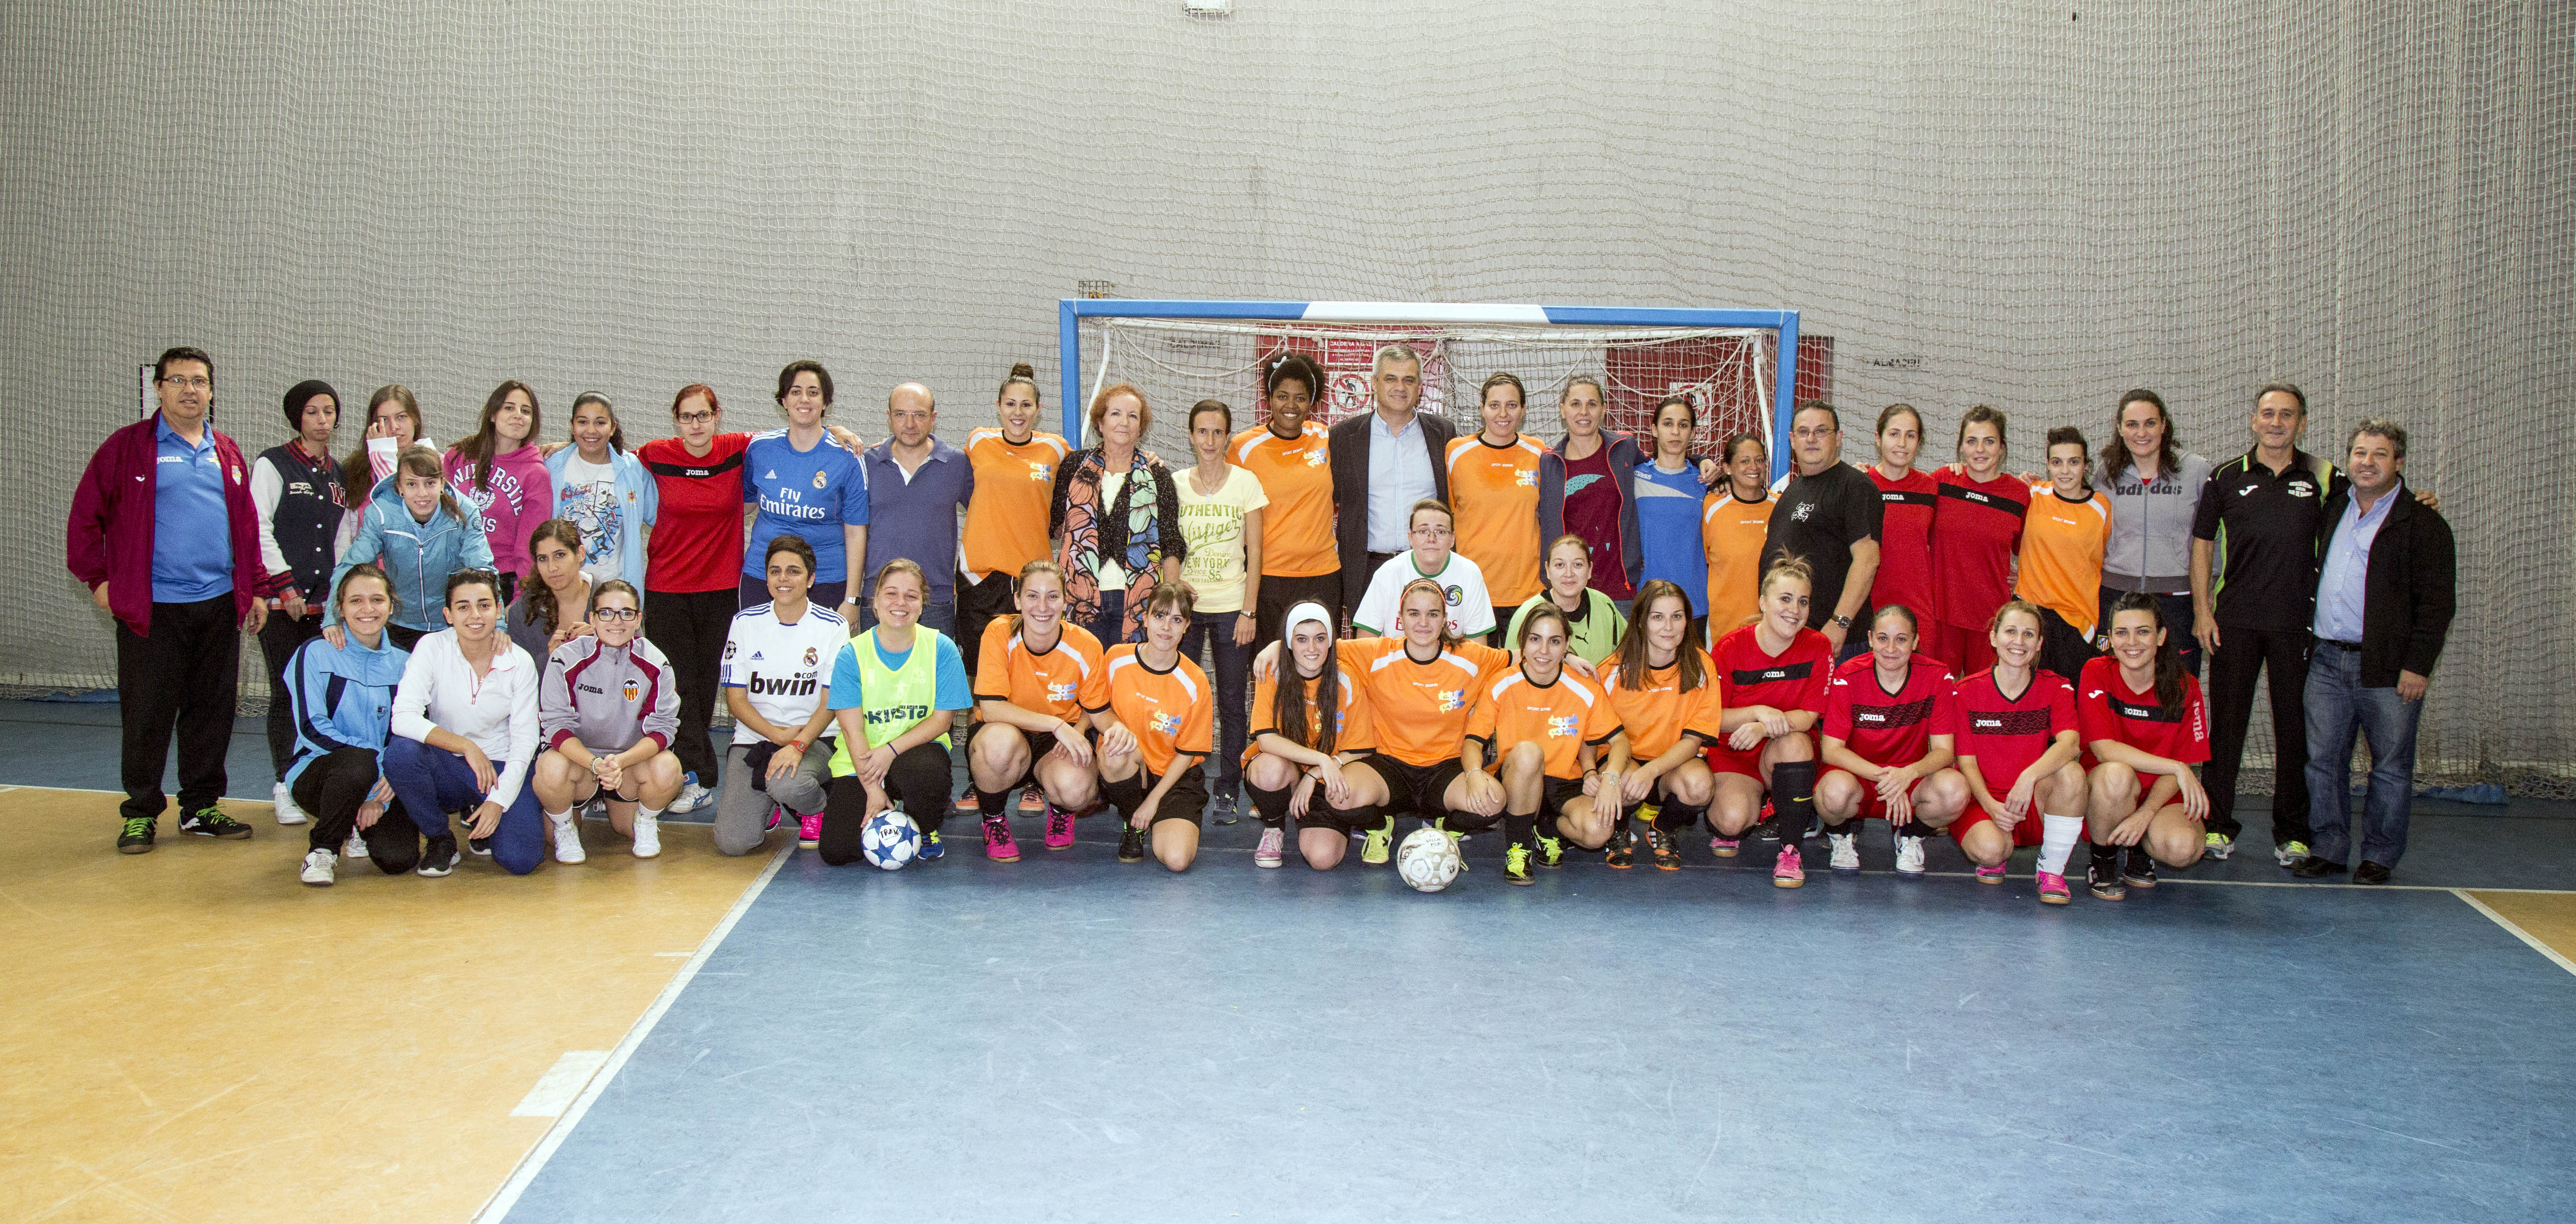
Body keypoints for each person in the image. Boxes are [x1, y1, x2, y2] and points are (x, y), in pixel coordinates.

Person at [68, 346, 269, 852]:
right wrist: (99, 582)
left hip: (218, 605)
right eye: (177, 380)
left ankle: (200, 807)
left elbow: (246, 527)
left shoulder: (227, 451)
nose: (188, 390)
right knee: (147, 715)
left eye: (198, 381)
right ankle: (140, 813)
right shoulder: (127, 447)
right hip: (152, 610)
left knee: (211, 712)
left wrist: (256, 589)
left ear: (211, 391)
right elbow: (85, 518)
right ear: (157, 388)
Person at [2295, 421, 2454, 885]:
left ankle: (2380, 856)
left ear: (2398, 462)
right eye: (2360, 454)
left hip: (2388, 668)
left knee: (2390, 768)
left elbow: (2438, 603)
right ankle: (2328, 849)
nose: (2367, 463)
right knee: (2323, 762)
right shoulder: (2331, 508)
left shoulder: (2423, 522)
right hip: (2327, 660)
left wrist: (2417, 666)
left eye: (2379, 455)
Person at [2190, 383, 2331, 867]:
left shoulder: (2324, 476)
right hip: (2234, 621)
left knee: (2294, 730)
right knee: (2226, 728)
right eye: (2268, 414)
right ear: (2253, 420)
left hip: (2297, 624)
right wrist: (2202, 611)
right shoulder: (2225, 476)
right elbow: (2202, 545)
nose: (2276, 422)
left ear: (2302, 423)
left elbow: (2371, 503)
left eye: (2286, 415)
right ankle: (2215, 824)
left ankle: (2292, 833)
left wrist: (2417, 499)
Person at [1326, 579, 1514, 865]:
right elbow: (1316, 645)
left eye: (1433, 614)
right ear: (1400, 619)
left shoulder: (1470, 657)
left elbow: (1528, 658)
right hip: (1388, 767)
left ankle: (1445, 828)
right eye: (1414, 614)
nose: (1423, 623)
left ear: (1445, 619)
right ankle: (1380, 826)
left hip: (1445, 770)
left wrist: (1568, 659)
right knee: (1337, 796)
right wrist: (1275, 648)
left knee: (1493, 801)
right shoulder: (1375, 653)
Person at [382, 570, 545, 877]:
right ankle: (439, 838)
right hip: (446, 763)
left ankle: (481, 810)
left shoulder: (520, 661)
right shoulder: (432, 647)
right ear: (448, 615)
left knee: (521, 860)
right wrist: (466, 746)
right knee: (401, 754)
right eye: (463, 607)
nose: (475, 616)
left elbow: (526, 740)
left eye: (484, 605)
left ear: (499, 609)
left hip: (498, 766)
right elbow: (402, 717)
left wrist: (498, 801)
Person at [637, 384, 752, 818]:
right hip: (667, 588)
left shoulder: (736, 449)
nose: (696, 425)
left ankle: (690, 770)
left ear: (717, 416)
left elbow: (793, 434)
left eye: (703, 415)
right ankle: (698, 775)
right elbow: (609, 456)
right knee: (677, 684)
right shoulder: (656, 454)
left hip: (720, 589)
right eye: (686, 417)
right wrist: (561, 449)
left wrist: (838, 432)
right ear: (676, 420)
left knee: (705, 687)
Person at [816, 560, 970, 866]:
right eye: (891, 594)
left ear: (922, 604)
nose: (901, 603)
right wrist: (872, 789)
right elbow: (852, 730)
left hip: (915, 753)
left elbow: (942, 720)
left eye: (911, 596)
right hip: (863, 759)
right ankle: (880, 802)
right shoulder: (852, 655)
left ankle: (925, 827)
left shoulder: (942, 648)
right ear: (875, 601)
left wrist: (890, 751)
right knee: (837, 852)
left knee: (926, 775)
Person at [1467, 604, 1626, 885]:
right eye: (1535, 639)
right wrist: (1474, 773)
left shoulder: (1585, 687)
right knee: (1529, 752)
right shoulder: (1501, 683)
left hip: (1564, 782)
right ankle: (1518, 847)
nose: (1544, 651)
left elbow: (1621, 741)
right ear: (1523, 643)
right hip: (1519, 777)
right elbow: (1472, 742)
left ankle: (1547, 828)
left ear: (1566, 645)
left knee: (1598, 831)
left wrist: (1611, 777)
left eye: (1554, 641)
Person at [714, 535, 849, 856]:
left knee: (787, 784)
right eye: (775, 571)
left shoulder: (834, 626)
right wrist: (777, 736)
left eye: (793, 571)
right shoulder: (745, 623)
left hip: (815, 738)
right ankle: (770, 802)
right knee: (733, 843)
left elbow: (831, 703)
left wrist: (797, 743)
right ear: (767, 578)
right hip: (756, 738)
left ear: (811, 579)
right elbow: (736, 701)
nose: (783, 579)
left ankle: (815, 807)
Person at [1815, 605, 1972, 878]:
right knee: (1833, 793)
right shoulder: (1848, 675)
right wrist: (1889, 778)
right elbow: (1831, 750)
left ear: (1915, 642)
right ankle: (1841, 836)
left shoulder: (1937, 676)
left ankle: (1910, 836)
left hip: (1912, 781)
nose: (1891, 648)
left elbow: (1945, 752)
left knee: (1955, 790)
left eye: (1901, 639)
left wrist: (1908, 774)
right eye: (1883, 638)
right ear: (1870, 639)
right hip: (1860, 779)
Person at [532, 580, 684, 862]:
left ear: (638, 619)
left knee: (668, 768)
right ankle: (565, 827)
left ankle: (645, 821)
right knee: (550, 769)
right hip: (579, 764)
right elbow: (556, 726)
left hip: (627, 766)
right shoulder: (565, 659)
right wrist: (594, 763)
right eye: (606, 613)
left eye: (627, 613)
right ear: (592, 619)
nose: (617, 621)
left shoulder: (656, 662)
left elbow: (663, 730)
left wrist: (621, 762)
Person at [1950, 600, 2089, 902]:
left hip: (2031, 800)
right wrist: (1990, 806)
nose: (2019, 641)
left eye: (2029, 634)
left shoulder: (2057, 687)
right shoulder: (1965, 691)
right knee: (1990, 850)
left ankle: (2051, 870)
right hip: (1985, 802)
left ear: (2039, 644)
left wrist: (2029, 777)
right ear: (1994, 637)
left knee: (2072, 773)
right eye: (2011, 632)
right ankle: (1997, 849)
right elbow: (1967, 762)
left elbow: (2070, 743)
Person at [966, 560, 1106, 859]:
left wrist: (1078, 730)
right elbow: (991, 708)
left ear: (1065, 602)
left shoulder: (1086, 645)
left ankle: (1061, 811)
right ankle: (993, 820)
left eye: (1052, 596)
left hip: (1054, 742)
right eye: (1032, 596)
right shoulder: (999, 633)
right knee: (998, 744)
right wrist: (1057, 725)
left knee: (1077, 789)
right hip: (1008, 732)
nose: (1042, 607)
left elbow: (1095, 706)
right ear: (1017, 600)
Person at [252, 379, 346, 826]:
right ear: (297, 417)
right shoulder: (273, 464)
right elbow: (258, 526)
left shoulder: (339, 473)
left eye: (328, 411)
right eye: (312, 412)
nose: (322, 420)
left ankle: (319, 781)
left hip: (324, 609)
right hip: (281, 607)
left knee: (324, 695)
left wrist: (339, 596)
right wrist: (285, 585)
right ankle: (283, 783)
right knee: (287, 691)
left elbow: (342, 536)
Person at [284, 565, 414, 885]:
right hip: (322, 773)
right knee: (358, 762)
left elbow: (412, 730)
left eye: (377, 600)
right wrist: (375, 763)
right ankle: (323, 850)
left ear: (391, 607)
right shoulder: (315, 653)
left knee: (399, 859)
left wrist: (382, 791)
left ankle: (356, 825)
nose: (367, 609)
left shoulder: (407, 663)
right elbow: (311, 727)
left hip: (382, 782)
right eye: (356, 601)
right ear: (340, 609)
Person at [2078, 593, 2212, 900]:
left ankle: (2139, 851)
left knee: (2184, 849)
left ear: (2161, 637)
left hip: (2161, 791)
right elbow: (2104, 750)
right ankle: (2103, 860)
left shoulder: (2186, 686)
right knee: (2117, 775)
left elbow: (2182, 766)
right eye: (2122, 633)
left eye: (2143, 632)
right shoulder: (2096, 671)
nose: (2132, 642)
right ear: (2111, 638)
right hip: (2109, 789)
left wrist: (2148, 812)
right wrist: (2176, 767)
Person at [1707, 559, 1833, 887]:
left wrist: (1765, 727)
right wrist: (1758, 712)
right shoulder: (1730, 647)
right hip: (1736, 753)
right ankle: (1763, 804)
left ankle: (1790, 850)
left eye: (1803, 601)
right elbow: (1713, 718)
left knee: (1795, 742)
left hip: (1784, 749)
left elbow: (1808, 717)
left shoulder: (1818, 646)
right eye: (1785, 599)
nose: (1795, 610)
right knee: (1732, 822)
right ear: (1763, 602)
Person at [1172, 400, 1267, 823]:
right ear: (1191, 436)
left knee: (1231, 702)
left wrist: (1249, 611)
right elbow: (1165, 544)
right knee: (1185, 698)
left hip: (1232, 608)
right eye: (1202, 431)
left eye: (1217, 432)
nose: (1210, 440)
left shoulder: (1246, 482)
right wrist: (1175, 585)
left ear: (1228, 436)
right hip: (1186, 611)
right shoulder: (1174, 483)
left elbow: (1257, 552)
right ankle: (1186, 780)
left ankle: (1228, 786)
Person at [1242, 601, 1384, 869]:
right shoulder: (1273, 673)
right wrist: (1320, 759)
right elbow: (1266, 739)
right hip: (1290, 770)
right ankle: (1273, 828)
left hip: (1328, 778)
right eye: (1302, 639)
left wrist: (1317, 772)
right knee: (1269, 770)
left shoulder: (1347, 678)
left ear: (1331, 641)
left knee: (1322, 860)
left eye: (1320, 639)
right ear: (1289, 643)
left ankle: (1354, 819)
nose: (1312, 648)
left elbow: (1361, 748)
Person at [1593, 581, 1725, 870]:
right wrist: (1595, 774)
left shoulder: (1701, 666)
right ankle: (1618, 830)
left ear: (1687, 621)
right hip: (1624, 761)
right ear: (1641, 622)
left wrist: (1651, 772)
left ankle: (1662, 828)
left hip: (1671, 765)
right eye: (1658, 617)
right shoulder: (1612, 670)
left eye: (1677, 616)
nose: (1669, 627)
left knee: (1700, 786)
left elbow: (1693, 741)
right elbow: (1592, 737)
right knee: (1621, 779)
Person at [1090, 583, 1217, 870]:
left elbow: (1188, 753)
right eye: (1159, 616)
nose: (1166, 627)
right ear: (1145, 619)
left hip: (1175, 778)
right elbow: (1095, 704)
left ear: (1187, 627)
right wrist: (1074, 731)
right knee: (1112, 752)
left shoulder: (1196, 681)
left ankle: (1153, 814)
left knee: (1177, 860)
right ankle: (1133, 822)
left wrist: (1154, 801)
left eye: (1177, 619)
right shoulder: (1116, 659)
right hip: (1132, 767)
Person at [1050, 383, 1184, 645]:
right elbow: (1056, 527)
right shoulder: (1073, 466)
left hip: (1139, 600)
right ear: (1100, 423)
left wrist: (1171, 600)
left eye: (1133, 416)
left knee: (1128, 669)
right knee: (1085, 668)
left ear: (1141, 427)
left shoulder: (1157, 475)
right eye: (1116, 414)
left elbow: (1170, 542)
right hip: (1080, 596)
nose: (1124, 422)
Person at [960, 363, 1070, 679]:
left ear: (1039, 409)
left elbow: (1096, 466)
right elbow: (931, 452)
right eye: (1010, 404)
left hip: (1030, 581)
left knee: (1024, 673)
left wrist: (1144, 458)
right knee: (978, 674)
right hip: (979, 576)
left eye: (1026, 405)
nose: (1018, 413)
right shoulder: (979, 440)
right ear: (998, 407)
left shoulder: (1056, 448)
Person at [1330, 344, 1454, 617]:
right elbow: (1326, 503)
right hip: (1367, 570)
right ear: (1374, 383)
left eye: (1409, 380)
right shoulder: (1343, 437)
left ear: (1420, 386)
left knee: (1430, 641)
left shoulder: (1443, 434)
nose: (1400, 387)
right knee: (1369, 645)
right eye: (1391, 379)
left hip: (1429, 566)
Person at [331, 448, 494, 650]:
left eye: (430, 483)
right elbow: (351, 568)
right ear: (400, 487)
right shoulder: (381, 514)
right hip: (400, 623)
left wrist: (498, 627)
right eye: (411, 484)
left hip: (453, 623)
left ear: (442, 484)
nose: (422, 493)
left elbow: (483, 570)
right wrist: (332, 618)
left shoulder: (465, 512)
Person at [2096, 390, 2210, 677]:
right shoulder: (2106, 474)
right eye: (2132, 425)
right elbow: (2075, 510)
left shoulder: (2196, 470)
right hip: (2116, 597)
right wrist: (2036, 488)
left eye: (2150, 423)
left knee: (2176, 687)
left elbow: (2213, 539)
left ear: (2164, 425)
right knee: (2116, 687)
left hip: (2177, 601)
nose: (2141, 433)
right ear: (2120, 428)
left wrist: (2206, 601)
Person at [743, 360, 869, 619]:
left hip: (826, 578)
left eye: (813, 392)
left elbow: (856, 531)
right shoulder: (759, 448)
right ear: (784, 401)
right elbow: (745, 505)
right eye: (795, 392)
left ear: (825, 403)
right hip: (763, 575)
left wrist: (852, 598)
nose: (804, 399)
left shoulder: (847, 457)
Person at [1761, 401, 1881, 661]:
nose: (1811, 439)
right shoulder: (1793, 491)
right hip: (1795, 638)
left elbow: (1868, 560)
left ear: (1838, 438)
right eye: (1803, 432)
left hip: (1838, 641)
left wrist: (1840, 623)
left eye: (1821, 431)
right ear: (1792, 440)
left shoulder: (1855, 486)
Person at [1236, 352, 1340, 649]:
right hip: (1268, 578)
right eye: (1282, 396)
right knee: (1269, 666)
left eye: (1300, 398)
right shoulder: (1243, 448)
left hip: (1323, 577)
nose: (1291, 406)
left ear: (1312, 403)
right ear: (1269, 399)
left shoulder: (1327, 438)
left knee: (1319, 664)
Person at [859, 382, 971, 639]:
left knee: (933, 667)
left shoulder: (957, 464)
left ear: (933, 418)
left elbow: (987, 514)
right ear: (889, 417)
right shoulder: (866, 463)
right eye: (901, 414)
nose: (910, 424)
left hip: (936, 600)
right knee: (874, 667)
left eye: (919, 415)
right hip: (877, 598)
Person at [1926, 406, 2028, 676]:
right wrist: (1864, 475)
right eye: (1972, 441)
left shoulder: (2020, 494)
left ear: (2002, 448)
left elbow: (2035, 551)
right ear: (1961, 447)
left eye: (1989, 441)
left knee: (1984, 697)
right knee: (1939, 694)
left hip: (1992, 621)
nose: (1980, 450)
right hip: (1941, 616)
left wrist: (2025, 579)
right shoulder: (1942, 481)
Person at [1445, 373, 1548, 639]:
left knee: (1524, 666)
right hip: (1473, 590)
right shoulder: (1456, 452)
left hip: (1527, 591)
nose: (1503, 414)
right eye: (1494, 405)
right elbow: (1448, 514)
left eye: (1512, 405)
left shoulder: (1539, 452)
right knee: (1476, 666)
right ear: (1482, 409)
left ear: (1523, 410)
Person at [2016, 426, 2112, 684]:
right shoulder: (2033, 494)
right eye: (2057, 463)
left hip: (2076, 622)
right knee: (2028, 698)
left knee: (2070, 701)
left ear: (2086, 465)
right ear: (2048, 465)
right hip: (2031, 616)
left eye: (2074, 462)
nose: (2065, 471)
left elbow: (2101, 559)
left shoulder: (2101, 507)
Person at [445, 381, 552, 605]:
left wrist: (521, 597)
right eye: (509, 408)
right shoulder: (458, 456)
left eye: (526, 411)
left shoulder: (535, 473)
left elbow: (530, 545)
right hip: (452, 573)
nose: (518, 415)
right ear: (493, 415)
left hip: (501, 581)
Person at [1538, 376, 1643, 604]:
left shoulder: (1624, 447)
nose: (1584, 412)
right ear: (1563, 410)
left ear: (1603, 410)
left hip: (1619, 588)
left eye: (1592, 404)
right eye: (1575, 404)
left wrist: (1699, 461)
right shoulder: (1548, 462)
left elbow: (1663, 464)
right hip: (1568, 590)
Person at [544, 392, 656, 588]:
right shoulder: (552, 466)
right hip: (564, 589)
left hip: (615, 591)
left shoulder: (631, 469)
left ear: (613, 427)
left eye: (600, 423)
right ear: (572, 425)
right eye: (583, 422)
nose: (591, 430)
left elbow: (660, 517)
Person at [1350, 500, 1493, 639]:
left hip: (1451, 655)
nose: (1432, 538)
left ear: (1453, 539)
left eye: (1441, 532)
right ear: (1411, 538)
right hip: (1396, 655)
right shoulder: (1388, 573)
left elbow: (1478, 646)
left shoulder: (1470, 573)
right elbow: (1365, 642)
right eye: (1423, 531)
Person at [1634, 396, 1717, 634]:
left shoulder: (1707, 482)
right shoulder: (1634, 477)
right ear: (1654, 430)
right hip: (1646, 601)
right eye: (1668, 424)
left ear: (1693, 432)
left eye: (1683, 425)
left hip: (1693, 602)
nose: (1675, 432)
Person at [1864, 405, 1939, 646]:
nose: (1902, 444)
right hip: (1869, 607)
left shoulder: (1932, 487)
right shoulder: (1860, 484)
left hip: (1919, 609)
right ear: (1878, 438)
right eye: (1894, 434)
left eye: (1911, 435)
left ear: (1919, 442)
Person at [1506, 536, 1629, 667]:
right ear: (1548, 570)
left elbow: (1630, 649)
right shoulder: (1527, 614)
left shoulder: (1604, 604)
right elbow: (1510, 670)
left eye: (1578, 565)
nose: (1569, 574)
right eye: (1560, 565)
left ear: (1589, 570)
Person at [1700, 432, 1777, 642]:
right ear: (1728, 468)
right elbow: (1707, 560)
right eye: (1745, 461)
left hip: (1773, 630)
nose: (1754, 467)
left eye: (1759, 460)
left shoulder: (1780, 506)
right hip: (1724, 630)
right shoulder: (1711, 506)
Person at [342, 384, 436, 544]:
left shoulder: (437, 463)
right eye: (384, 420)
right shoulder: (356, 469)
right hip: (369, 557)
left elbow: (404, 511)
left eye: (401, 417)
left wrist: (383, 455)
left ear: (415, 419)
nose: (394, 427)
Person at [507, 520, 592, 663]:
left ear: (580, 554)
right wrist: (551, 658)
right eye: (543, 559)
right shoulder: (521, 613)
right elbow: (519, 673)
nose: (552, 568)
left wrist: (602, 644)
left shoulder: (612, 602)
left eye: (560, 555)